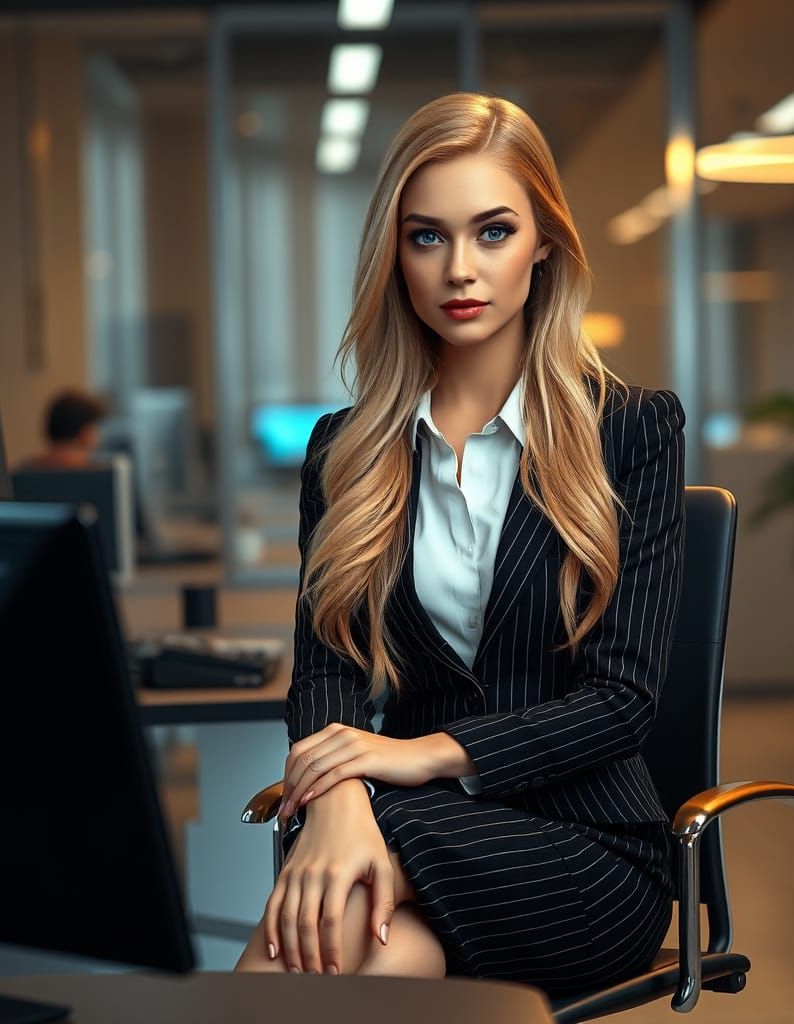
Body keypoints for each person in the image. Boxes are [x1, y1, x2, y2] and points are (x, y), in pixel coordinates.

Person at [234, 92, 686, 998]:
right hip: (407, 832)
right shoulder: (344, 448)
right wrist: (343, 799)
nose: (459, 269)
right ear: (395, 253)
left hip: (585, 852)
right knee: (375, 952)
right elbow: (325, 670)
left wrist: (411, 759)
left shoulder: (631, 430)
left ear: (544, 242)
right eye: (427, 237)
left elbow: (622, 703)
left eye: (493, 231)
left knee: (333, 894)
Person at [17, 390, 107, 471]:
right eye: (96, 427)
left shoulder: (23, 470)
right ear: (85, 431)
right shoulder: (100, 473)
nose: (99, 434)